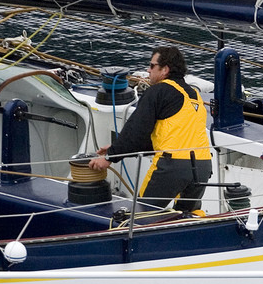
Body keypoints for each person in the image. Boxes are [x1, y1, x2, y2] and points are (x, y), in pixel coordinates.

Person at [88, 46, 212, 215]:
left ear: (165, 69)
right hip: (203, 165)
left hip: (173, 165)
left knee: (142, 215)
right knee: (187, 216)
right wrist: (115, 148)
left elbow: (136, 130)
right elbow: (168, 137)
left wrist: (110, 157)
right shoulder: (195, 95)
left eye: (152, 66)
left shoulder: (158, 91)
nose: (148, 70)